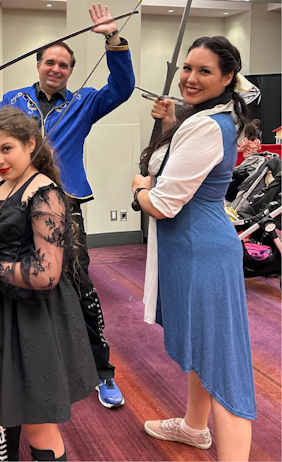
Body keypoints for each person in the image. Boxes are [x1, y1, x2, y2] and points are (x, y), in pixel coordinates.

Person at [0, 2, 135, 409]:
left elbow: (121, 89)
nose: (56, 69)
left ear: (70, 71)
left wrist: (112, 38)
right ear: (38, 65)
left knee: (79, 283)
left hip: (63, 203)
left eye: (64, 65)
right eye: (49, 62)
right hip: (12, 203)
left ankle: (103, 371)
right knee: (13, 282)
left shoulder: (85, 102)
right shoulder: (14, 100)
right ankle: (12, 370)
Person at [0, 106, 99, 461]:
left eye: (6, 149)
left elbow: (46, 274)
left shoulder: (45, 194)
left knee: (40, 420)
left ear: (30, 144)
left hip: (34, 316)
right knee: (4, 400)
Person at [131, 36, 256, 461]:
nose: (190, 78)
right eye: (187, 68)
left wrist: (139, 190)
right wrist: (170, 126)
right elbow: (184, 167)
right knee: (206, 346)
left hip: (200, 249)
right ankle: (193, 427)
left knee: (223, 358)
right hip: (193, 246)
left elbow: (164, 203)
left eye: (204, 71)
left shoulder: (206, 123)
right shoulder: (207, 117)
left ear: (227, 78)